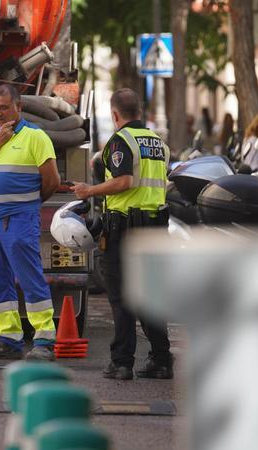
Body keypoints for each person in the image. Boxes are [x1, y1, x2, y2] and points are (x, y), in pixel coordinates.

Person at [70, 88, 172, 380]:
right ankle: (162, 360)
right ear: (139, 111)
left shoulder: (120, 140)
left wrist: (90, 190)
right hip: (155, 228)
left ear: (115, 114)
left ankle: (122, 361)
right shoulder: (158, 143)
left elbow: (125, 181)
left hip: (126, 230)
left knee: (121, 296)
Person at [0, 84, 61, 361]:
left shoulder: (35, 137)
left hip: (20, 218)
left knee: (30, 277)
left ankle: (44, 338)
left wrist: (28, 204)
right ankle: (9, 338)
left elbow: (52, 181)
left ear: (18, 107)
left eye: (4, 107)